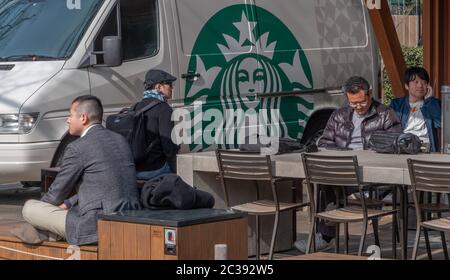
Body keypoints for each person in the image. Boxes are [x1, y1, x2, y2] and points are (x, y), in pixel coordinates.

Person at [295, 76, 402, 253]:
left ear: (370, 94)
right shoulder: (339, 115)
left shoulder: (385, 114)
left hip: (373, 174)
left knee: (330, 187)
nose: (358, 107)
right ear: (347, 98)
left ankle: (327, 231)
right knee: (321, 181)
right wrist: (341, 154)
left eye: (362, 102)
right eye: (353, 103)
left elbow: (396, 143)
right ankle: (324, 234)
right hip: (345, 171)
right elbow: (324, 142)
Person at [22, 95, 140, 245]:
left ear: (83, 118)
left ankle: (53, 232)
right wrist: (69, 203)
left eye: (70, 115)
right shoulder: (120, 140)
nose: (68, 120)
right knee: (61, 208)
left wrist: (42, 213)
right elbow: (105, 185)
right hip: (131, 217)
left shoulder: (77, 147)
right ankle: (54, 231)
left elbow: (55, 195)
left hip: (96, 226)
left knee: (29, 208)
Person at [134, 69, 180, 180]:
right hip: (155, 169)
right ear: (158, 87)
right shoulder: (164, 109)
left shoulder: (136, 107)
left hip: (135, 169)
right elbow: (169, 146)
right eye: (169, 84)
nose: (172, 88)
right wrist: (177, 170)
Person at [390, 66, 441, 152]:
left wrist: (429, 101)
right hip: (403, 149)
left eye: (424, 82)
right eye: (416, 82)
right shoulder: (396, 105)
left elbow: (440, 123)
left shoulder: (433, 103)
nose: (420, 85)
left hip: (428, 150)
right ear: (406, 86)